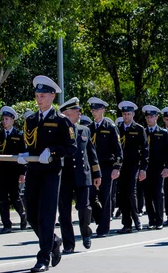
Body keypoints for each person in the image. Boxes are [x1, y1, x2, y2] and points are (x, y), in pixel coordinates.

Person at [21, 76, 77, 273]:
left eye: (43, 95)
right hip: (33, 172)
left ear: (52, 96)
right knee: (31, 215)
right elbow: (27, 143)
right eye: (37, 95)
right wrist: (24, 156)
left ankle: (43, 257)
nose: (39, 99)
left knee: (46, 216)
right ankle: (53, 240)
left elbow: (71, 147)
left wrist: (52, 151)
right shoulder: (30, 120)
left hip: (51, 173)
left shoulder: (61, 121)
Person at [57, 97, 101, 252]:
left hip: (83, 175)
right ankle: (69, 244)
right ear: (66, 114)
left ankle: (85, 232)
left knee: (84, 208)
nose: (79, 113)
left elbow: (91, 153)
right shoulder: (59, 130)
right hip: (65, 176)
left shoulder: (84, 130)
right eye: (76, 111)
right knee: (64, 213)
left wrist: (97, 174)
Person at [87, 97, 123, 237]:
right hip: (92, 167)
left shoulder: (110, 127)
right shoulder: (89, 128)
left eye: (96, 109)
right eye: (92, 109)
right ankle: (98, 218)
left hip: (107, 166)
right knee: (90, 196)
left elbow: (118, 150)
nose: (93, 112)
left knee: (105, 197)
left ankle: (103, 228)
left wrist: (117, 167)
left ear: (102, 110)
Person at [0, 106, 27, 235]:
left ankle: (22, 214)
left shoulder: (19, 135)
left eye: (7, 119)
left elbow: (23, 155)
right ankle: (6, 224)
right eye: (3, 119)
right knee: (2, 199)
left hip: (14, 170)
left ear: (12, 120)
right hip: (2, 171)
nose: (4, 121)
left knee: (15, 196)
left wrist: (23, 173)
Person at [116, 101, 148, 233]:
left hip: (134, 165)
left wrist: (143, 168)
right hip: (121, 165)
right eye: (124, 114)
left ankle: (136, 219)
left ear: (133, 114)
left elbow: (145, 149)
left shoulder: (139, 129)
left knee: (131, 191)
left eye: (128, 114)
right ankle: (126, 224)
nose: (126, 116)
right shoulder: (118, 128)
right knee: (122, 194)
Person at [142, 105, 168, 229]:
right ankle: (151, 220)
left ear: (157, 118)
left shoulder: (163, 133)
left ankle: (159, 220)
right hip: (146, 168)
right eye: (148, 117)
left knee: (158, 194)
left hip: (159, 168)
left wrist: (167, 167)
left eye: (152, 117)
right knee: (147, 195)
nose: (150, 119)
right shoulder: (143, 132)